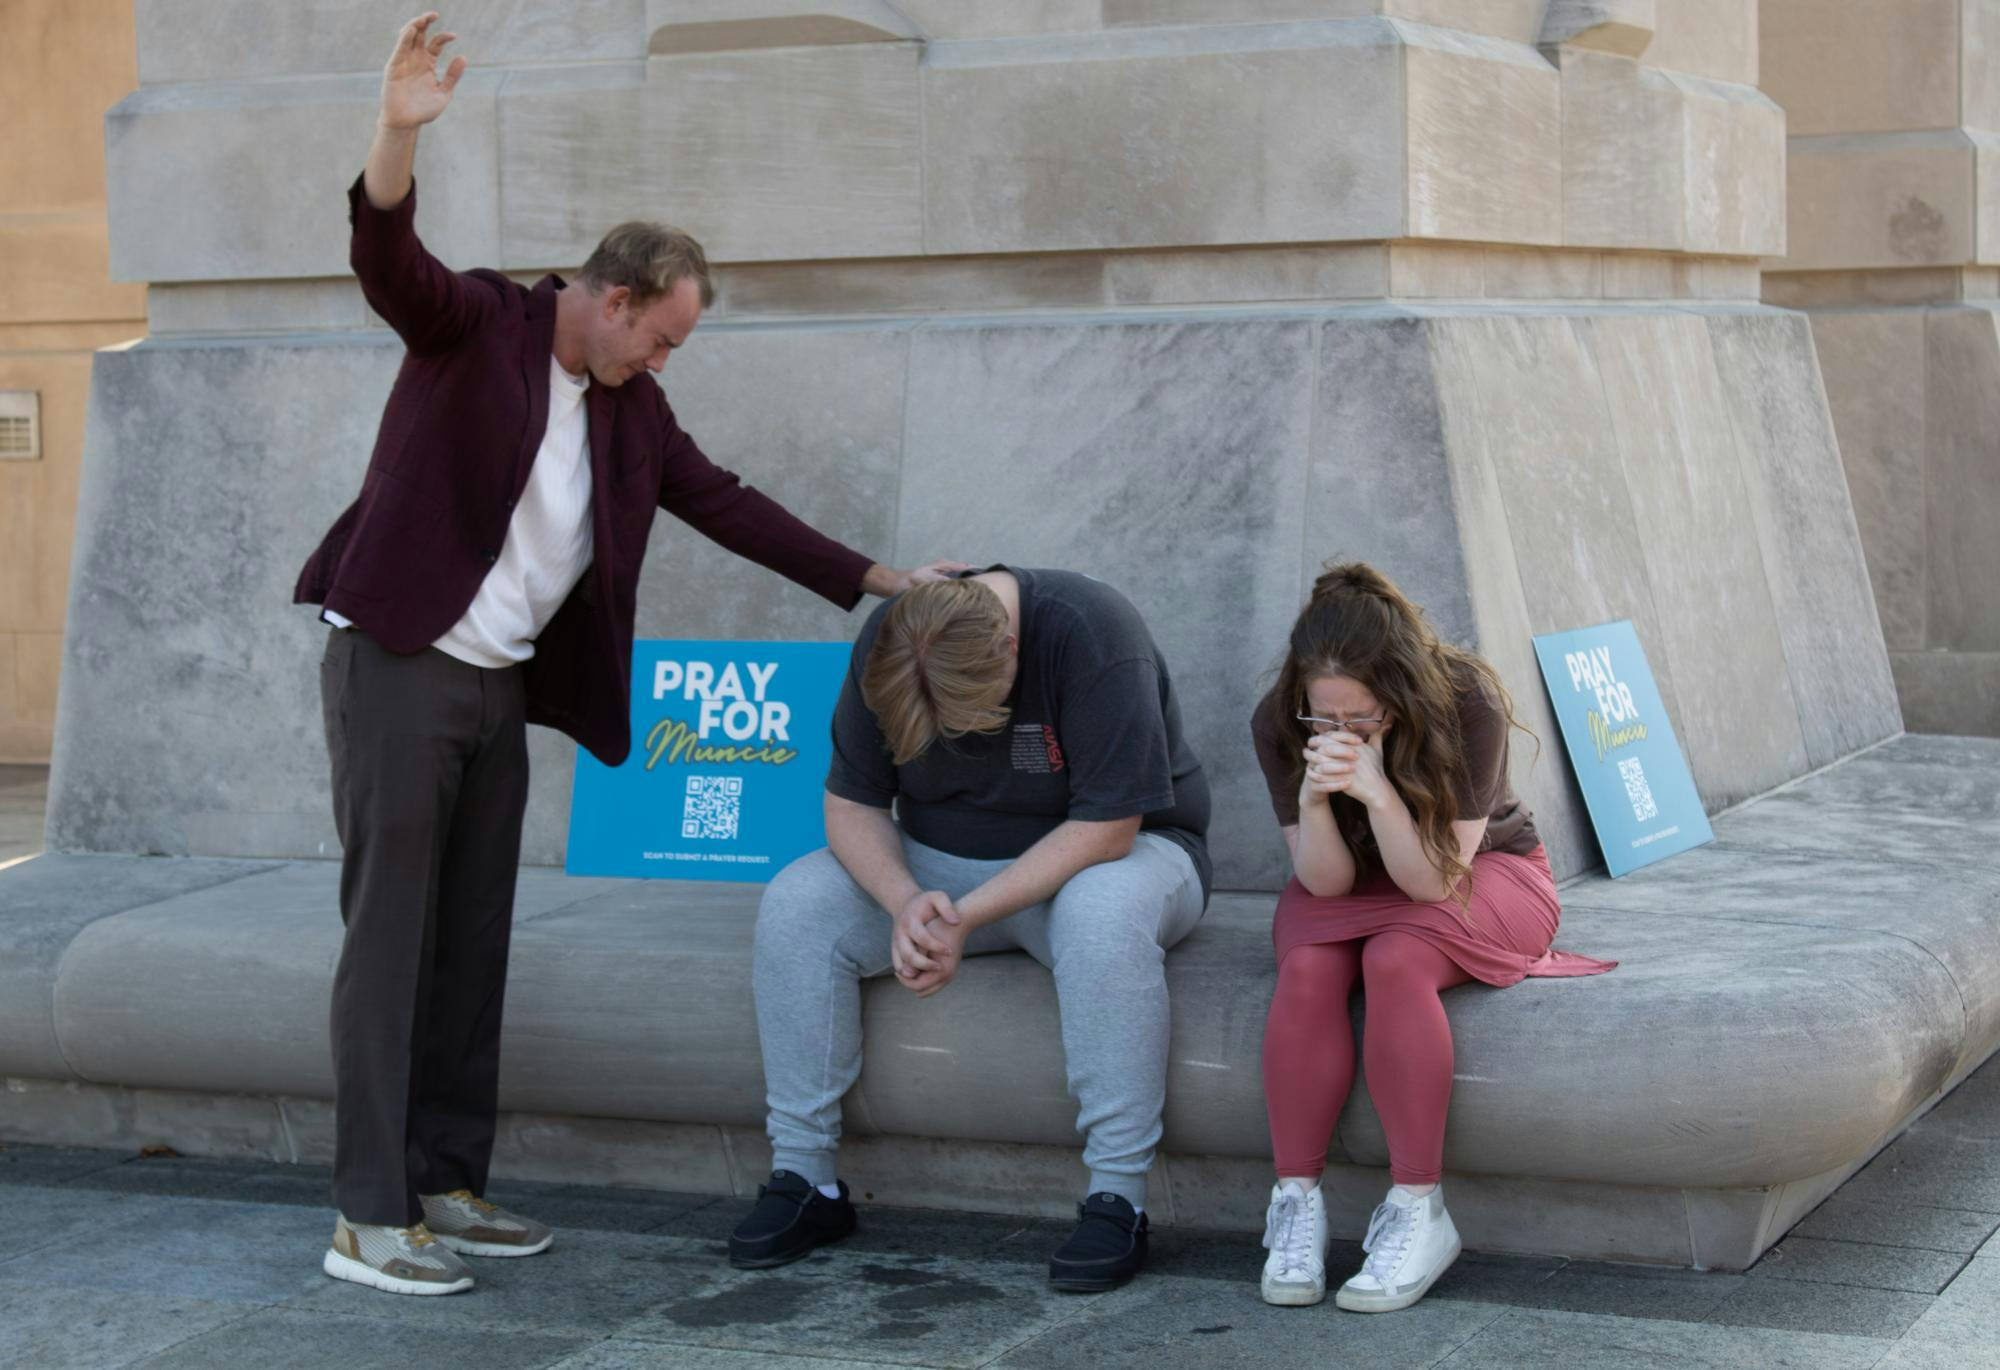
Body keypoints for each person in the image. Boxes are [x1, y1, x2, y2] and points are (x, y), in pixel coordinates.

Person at [295, 13, 959, 1298]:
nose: (664, 360)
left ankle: (442, 1180)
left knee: (472, 935)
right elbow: (388, 258)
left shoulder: (630, 409)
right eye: (659, 334)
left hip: (492, 686)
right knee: (389, 938)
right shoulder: (476, 324)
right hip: (395, 661)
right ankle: (365, 1215)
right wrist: (394, 132)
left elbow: (730, 504)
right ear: (609, 297)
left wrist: (885, 580)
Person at [737, 567, 1210, 1291]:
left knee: (1103, 915)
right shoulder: (894, 637)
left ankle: (1118, 1196)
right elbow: (852, 805)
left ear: (1012, 650)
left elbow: (1111, 826)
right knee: (797, 901)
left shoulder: (1094, 633)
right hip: (938, 862)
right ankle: (806, 1179)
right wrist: (904, 902)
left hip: (1108, 856)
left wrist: (965, 915)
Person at [1250, 563, 1614, 1312]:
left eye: (1362, 720)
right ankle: (1296, 1205)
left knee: (1397, 955)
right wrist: (1319, 801)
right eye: (1326, 721)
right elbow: (1324, 884)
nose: (1340, 734)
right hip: (1357, 879)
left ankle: (1419, 1210)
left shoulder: (1463, 700)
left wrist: (1379, 792)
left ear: (1400, 691)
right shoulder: (1279, 720)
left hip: (1480, 871)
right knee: (1311, 968)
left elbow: (1430, 882)